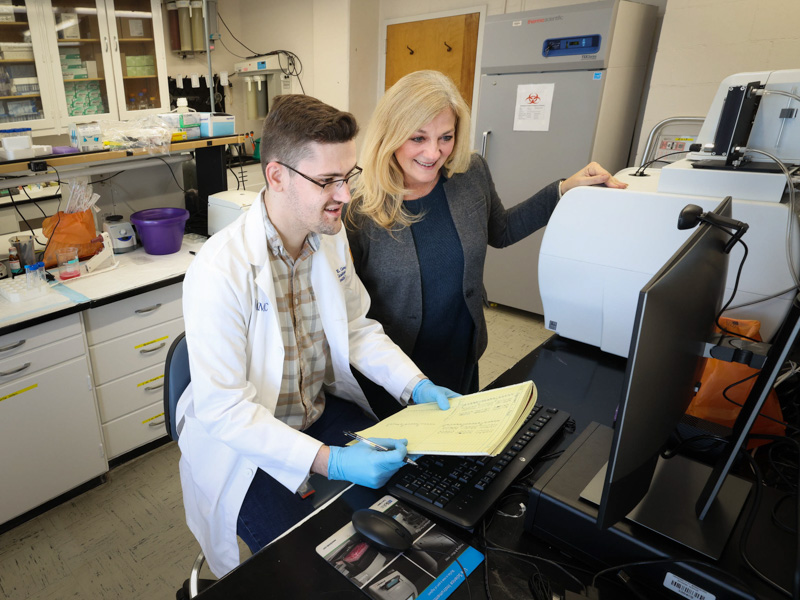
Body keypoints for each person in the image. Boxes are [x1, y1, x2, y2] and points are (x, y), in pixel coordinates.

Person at [176, 94, 458, 577]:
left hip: (316, 414)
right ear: (277, 176)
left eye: (347, 177)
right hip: (246, 447)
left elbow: (355, 328)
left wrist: (415, 386)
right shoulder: (218, 271)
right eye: (327, 181)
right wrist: (333, 463)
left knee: (412, 508)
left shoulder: (328, 235)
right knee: (308, 569)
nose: (345, 196)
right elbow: (225, 411)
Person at [346, 70, 627, 416]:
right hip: (394, 370)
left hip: (461, 351)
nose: (434, 153)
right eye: (417, 138)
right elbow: (346, 312)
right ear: (391, 134)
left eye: (445, 137)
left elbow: (502, 230)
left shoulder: (469, 173)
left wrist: (563, 190)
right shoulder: (358, 205)